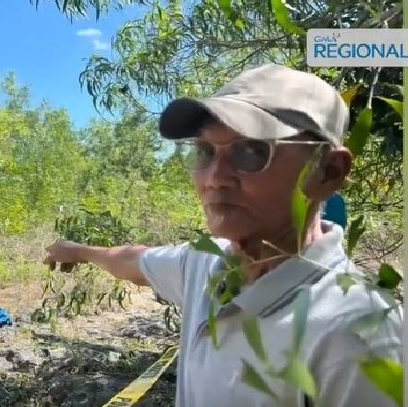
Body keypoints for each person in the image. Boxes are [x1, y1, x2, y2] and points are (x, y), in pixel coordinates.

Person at [43, 64, 403, 407]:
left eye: (251, 151)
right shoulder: (206, 263)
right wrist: (77, 251)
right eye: (205, 152)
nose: (215, 178)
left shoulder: (358, 333)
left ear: (328, 172)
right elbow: (135, 261)